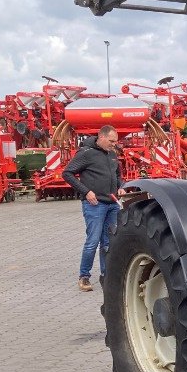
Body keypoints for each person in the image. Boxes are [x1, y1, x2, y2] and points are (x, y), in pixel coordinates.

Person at [62, 125, 126, 291]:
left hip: (112, 204)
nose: (114, 144)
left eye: (115, 141)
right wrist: (86, 191)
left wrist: (120, 187)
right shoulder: (86, 153)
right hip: (94, 205)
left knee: (108, 242)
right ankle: (84, 276)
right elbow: (67, 173)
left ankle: (107, 276)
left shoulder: (112, 155)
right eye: (111, 141)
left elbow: (118, 176)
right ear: (102, 137)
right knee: (93, 241)